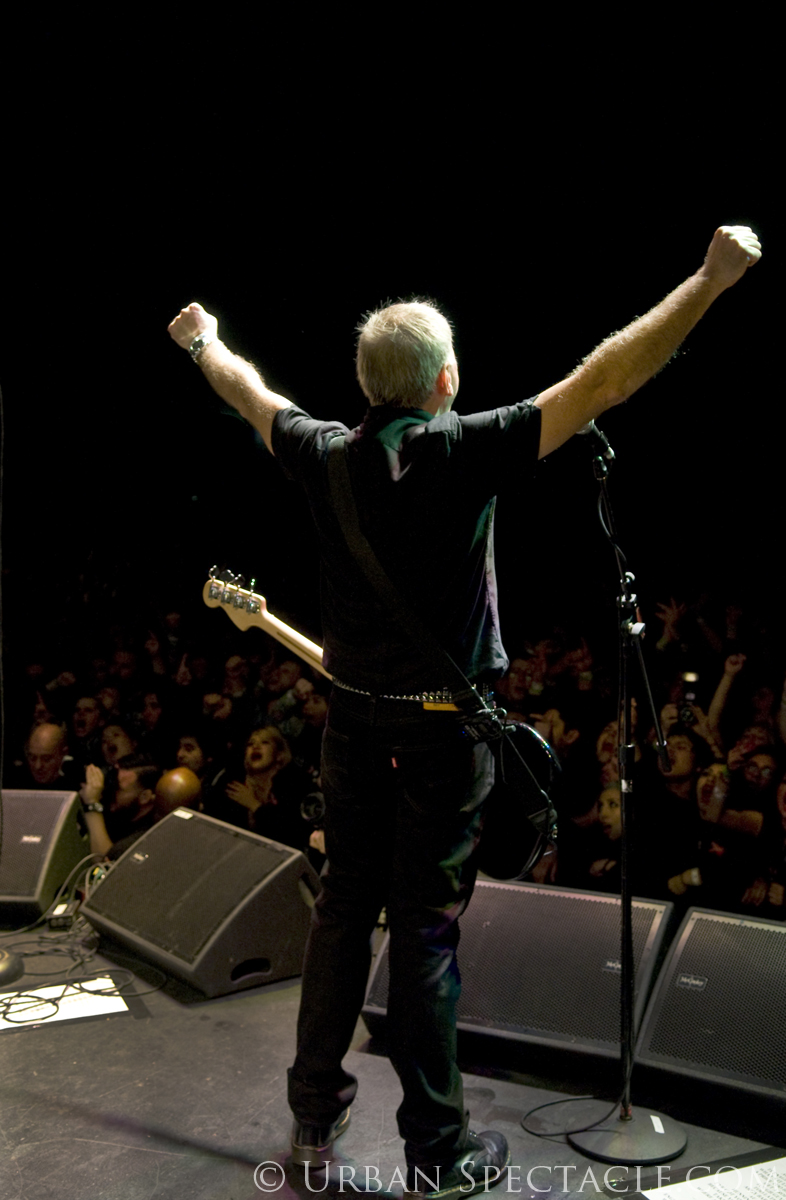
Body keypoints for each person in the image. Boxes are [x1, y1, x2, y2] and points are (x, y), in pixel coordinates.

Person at [168, 224, 761, 1198]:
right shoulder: (469, 448)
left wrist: (204, 342)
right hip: (443, 733)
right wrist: (708, 281)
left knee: (341, 914)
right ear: (444, 380)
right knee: (425, 934)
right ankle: (438, 1155)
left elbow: (249, 394)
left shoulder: (323, 452)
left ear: (367, 387)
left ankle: (314, 1112)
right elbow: (606, 378)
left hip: (353, 724)